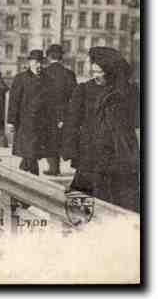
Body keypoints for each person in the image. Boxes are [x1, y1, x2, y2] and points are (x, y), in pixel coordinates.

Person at [64, 47, 139, 212]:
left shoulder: (127, 91)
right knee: (81, 205)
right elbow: (72, 122)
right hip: (91, 154)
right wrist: (70, 149)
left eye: (99, 71)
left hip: (120, 155)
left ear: (110, 71)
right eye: (93, 71)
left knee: (122, 204)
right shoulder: (83, 90)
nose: (95, 75)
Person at [41, 44, 77, 175]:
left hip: (47, 111)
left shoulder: (44, 73)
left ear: (48, 56)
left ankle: (53, 167)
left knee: (49, 138)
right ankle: (58, 166)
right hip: (64, 110)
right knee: (61, 138)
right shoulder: (69, 74)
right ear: (61, 57)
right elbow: (75, 95)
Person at [8, 50, 46, 175]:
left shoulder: (47, 79)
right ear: (30, 62)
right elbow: (14, 101)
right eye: (35, 62)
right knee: (30, 154)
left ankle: (22, 182)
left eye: (40, 62)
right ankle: (30, 182)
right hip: (25, 123)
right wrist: (11, 121)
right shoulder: (21, 78)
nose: (38, 65)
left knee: (30, 155)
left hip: (41, 123)